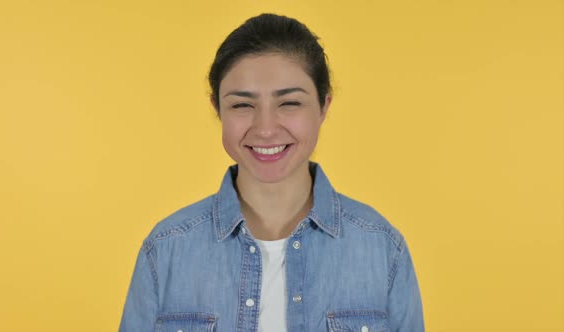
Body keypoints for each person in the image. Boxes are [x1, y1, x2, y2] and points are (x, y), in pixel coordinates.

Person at [119, 13, 424, 332]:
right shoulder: (166, 249)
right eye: (242, 105)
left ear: (323, 107)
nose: (265, 129)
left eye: (290, 103)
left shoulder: (382, 247)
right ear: (217, 108)